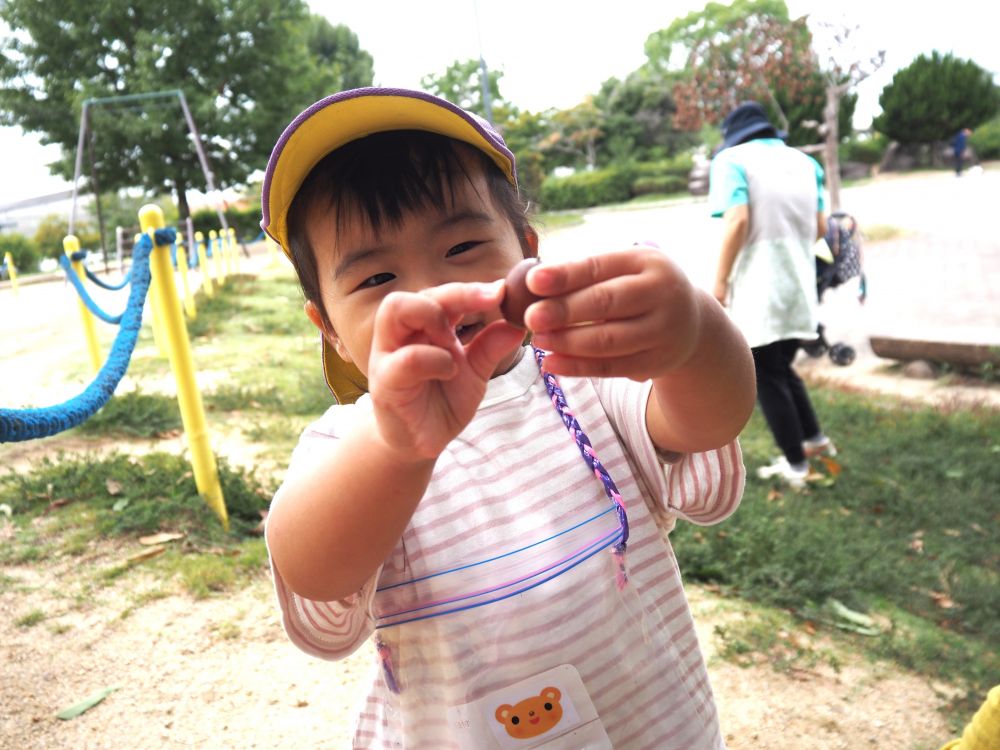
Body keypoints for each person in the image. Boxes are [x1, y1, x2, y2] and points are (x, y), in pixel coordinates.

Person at [261, 87, 755, 748]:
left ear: (528, 250)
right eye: (376, 279)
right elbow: (312, 571)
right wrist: (395, 447)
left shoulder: (584, 380)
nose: (431, 291)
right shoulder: (350, 445)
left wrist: (696, 337)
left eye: (462, 245)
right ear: (332, 331)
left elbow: (705, 422)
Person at [708, 101, 836, 488]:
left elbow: (738, 221)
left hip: (759, 286)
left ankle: (796, 465)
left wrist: (720, 282)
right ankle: (815, 441)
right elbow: (819, 226)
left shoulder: (731, 161)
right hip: (799, 281)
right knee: (782, 366)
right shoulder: (805, 163)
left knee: (764, 374)